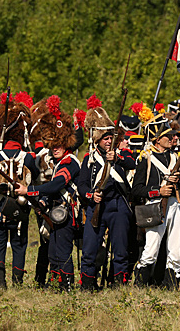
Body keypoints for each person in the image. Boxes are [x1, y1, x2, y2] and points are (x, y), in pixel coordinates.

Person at [16, 95, 81, 291]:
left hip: (67, 214)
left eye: (59, 145)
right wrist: (42, 201)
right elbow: (52, 190)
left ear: (67, 144)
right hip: (55, 212)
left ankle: (67, 288)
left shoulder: (70, 162)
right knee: (53, 252)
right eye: (53, 146)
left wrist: (30, 190)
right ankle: (59, 285)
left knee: (62, 252)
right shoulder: (58, 162)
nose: (55, 149)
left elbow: (56, 185)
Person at [0, 91, 39, 291]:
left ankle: (0, 284)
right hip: (19, 211)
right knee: (19, 245)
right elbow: (35, 178)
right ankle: (18, 283)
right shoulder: (28, 157)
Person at [77, 95, 135, 290]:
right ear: (98, 140)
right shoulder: (89, 159)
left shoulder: (121, 155)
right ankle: (87, 285)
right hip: (96, 207)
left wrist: (116, 159)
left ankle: (119, 286)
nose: (109, 141)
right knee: (90, 249)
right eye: (105, 138)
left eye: (111, 137)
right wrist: (91, 196)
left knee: (120, 249)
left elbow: (131, 164)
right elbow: (82, 185)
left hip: (117, 205)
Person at [132, 113, 180, 289]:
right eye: (168, 136)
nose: (172, 138)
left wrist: (178, 180)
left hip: (175, 205)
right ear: (157, 139)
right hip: (155, 205)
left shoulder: (175, 158)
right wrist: (158, 191)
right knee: (151, 248)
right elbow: (136, 190)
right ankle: (141, 284)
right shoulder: (145, 158)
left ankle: (172, 284)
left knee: (175, 248)